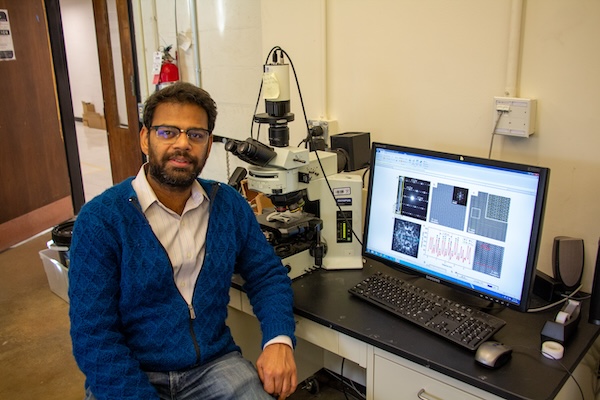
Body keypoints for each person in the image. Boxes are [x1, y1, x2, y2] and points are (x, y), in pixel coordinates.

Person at [68, 82, 298, 400]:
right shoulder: (101, 220)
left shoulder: (228, 205)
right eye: (167, 132)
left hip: (213, 365)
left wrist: (278, 340)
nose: (183, 144)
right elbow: (94, 337)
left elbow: (267, 275)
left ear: (208, 143)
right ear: (145, 139)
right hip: (131, 373)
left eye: (196, 134)